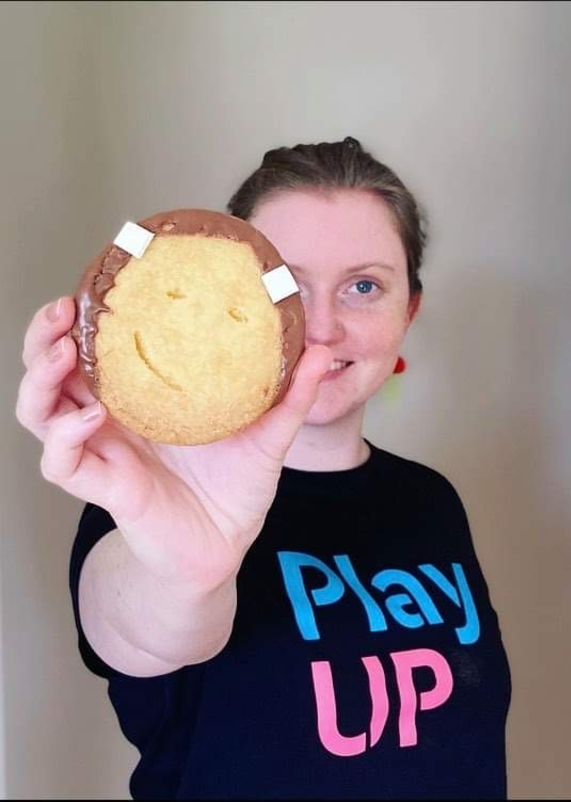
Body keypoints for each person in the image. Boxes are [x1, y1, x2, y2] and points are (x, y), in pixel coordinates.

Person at [16, 137, 512, 800]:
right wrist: (190, 572)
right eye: (289, 288)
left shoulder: (431, 501)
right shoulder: (147, 505)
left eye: (364, 287)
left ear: (408, 312)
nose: (322, 327)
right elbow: (139, 626)